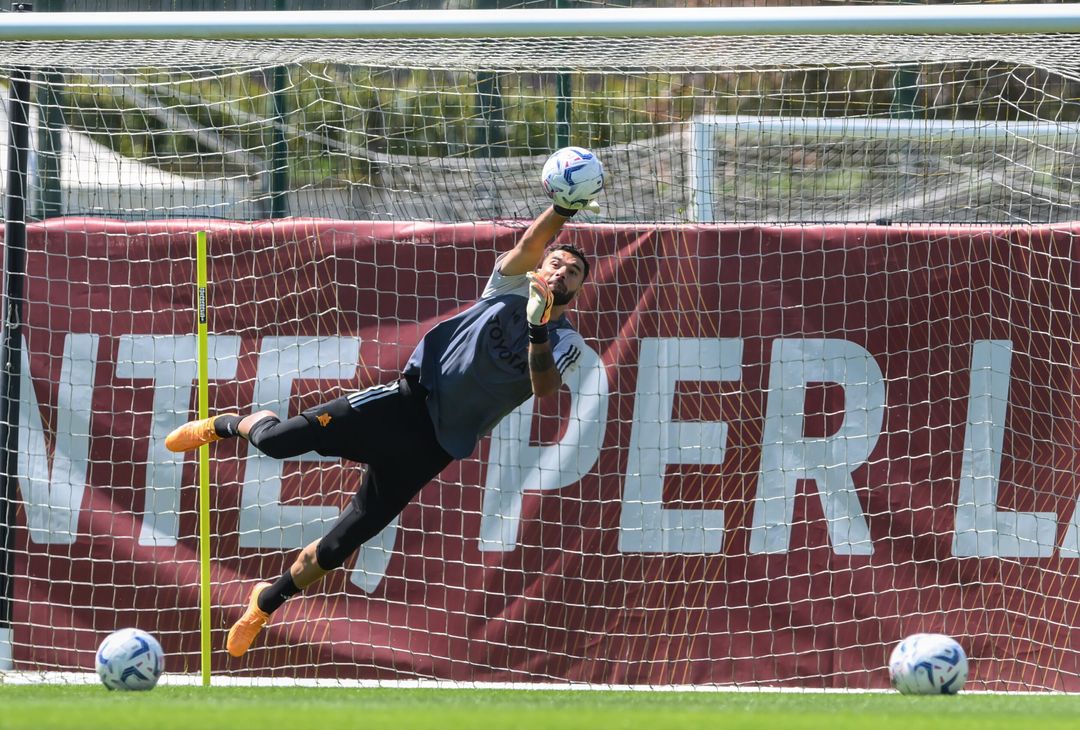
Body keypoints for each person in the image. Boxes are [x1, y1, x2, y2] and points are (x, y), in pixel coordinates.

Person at [165, 202, 593, 658]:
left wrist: (537, 329)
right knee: (275, 442)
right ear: (539, 267)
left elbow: (544, 387)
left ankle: (265, 603)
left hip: (434, 447)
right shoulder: (508, 285)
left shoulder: (566, 341)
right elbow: (530, 240)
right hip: (403, 404)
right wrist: (562, 207)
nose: (561, 272)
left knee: (341, 545)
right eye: (556, 262)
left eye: (573, 272)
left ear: (579, 289)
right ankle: (224, 425)